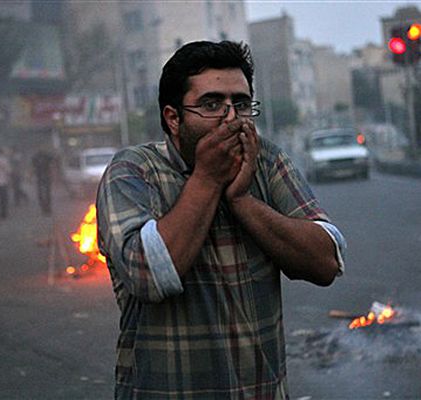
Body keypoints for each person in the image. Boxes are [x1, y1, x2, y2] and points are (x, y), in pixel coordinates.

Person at [96, 41, 347, 399]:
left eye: (241, 104)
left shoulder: (266, 161)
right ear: (173, 118)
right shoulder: (134, 170)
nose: (232, 118)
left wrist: (242, 200)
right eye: (212, 104)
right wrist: (208, 179)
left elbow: (325, 262)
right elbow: (147, 276)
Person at [32, 148, 54, 215]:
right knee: (46, 193)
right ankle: (47, 208)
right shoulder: (47, 156)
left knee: (42, 193)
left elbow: (33, 167)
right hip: (45, 176)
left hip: (41, 177)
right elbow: (52, 164)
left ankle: (45, 208)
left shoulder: (36, 157)